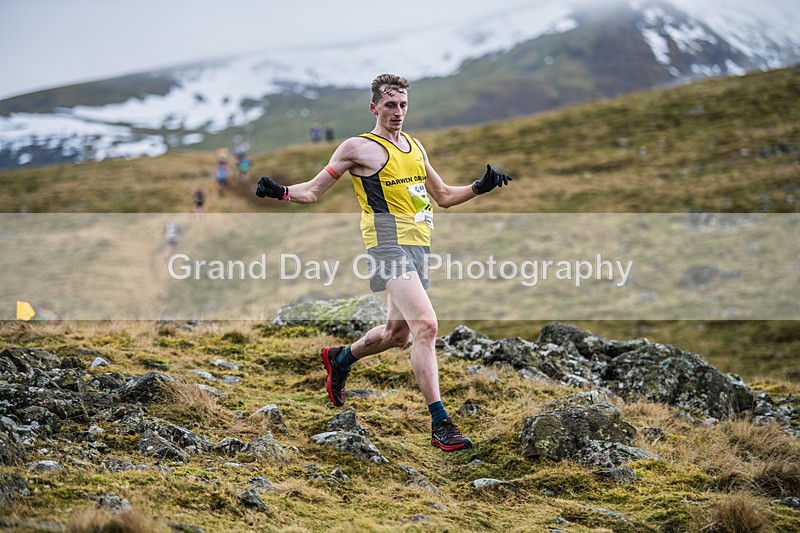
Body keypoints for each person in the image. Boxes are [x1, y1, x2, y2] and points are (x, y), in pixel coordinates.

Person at [256, 73, 512, 451]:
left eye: (403, 105)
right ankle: (441, 423)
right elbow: (312, 190)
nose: (398, 112)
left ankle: (340, 359)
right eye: (390, 105)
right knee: (426, 325)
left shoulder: (413, 146)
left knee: (398, 334)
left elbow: (442, 196)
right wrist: (281, 192)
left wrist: (480, 186)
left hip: (418, 247)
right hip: (386, 246)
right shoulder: (358, 148)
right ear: (374, 107)